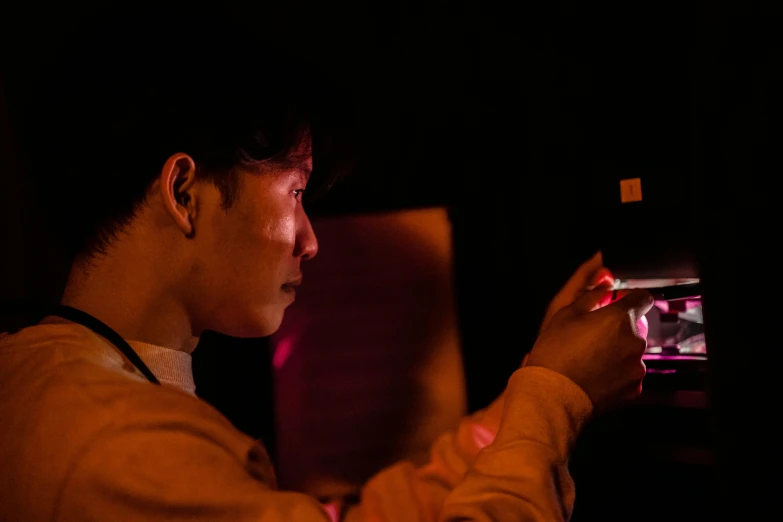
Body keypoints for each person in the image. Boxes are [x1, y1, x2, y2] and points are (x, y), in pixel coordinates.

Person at [0, 11, 653, 522]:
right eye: (295, 191)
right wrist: (552, 399)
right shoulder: (123, 450)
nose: (310, 241)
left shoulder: (52, 383)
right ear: (183, 193)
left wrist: (524, 395)